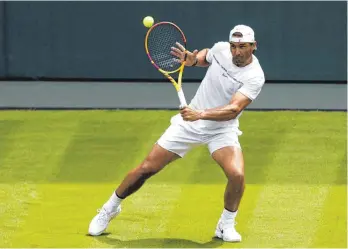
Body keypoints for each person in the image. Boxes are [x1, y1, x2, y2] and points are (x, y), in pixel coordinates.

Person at [88, 24, 265, 242]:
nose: (237, 52)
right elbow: (205, 56)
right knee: (147, 168)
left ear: (253, 46)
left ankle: (225, 224)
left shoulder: (255, 76)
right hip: (189, 124)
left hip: (220, 128)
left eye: (243, 47)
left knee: (237, 175)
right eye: (234, 46)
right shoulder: (221, 50)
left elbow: (233, 110)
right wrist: (193, 60)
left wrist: (200, 114)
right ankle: (109, 209)